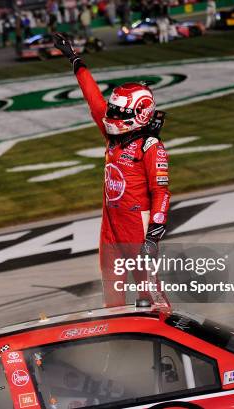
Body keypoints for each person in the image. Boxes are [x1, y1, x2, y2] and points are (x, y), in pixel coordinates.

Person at [53, 32, 171, 308]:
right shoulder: (113, 136)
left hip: (136, 229)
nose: (111, 116)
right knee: (112, 294)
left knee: (151, 295)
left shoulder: (151, 147)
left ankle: (172, 340)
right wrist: (74, 59)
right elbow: (94, 100)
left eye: (118, 113)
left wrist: (153, 236)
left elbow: (162, 193)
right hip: (110, 225)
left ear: (140, 115)